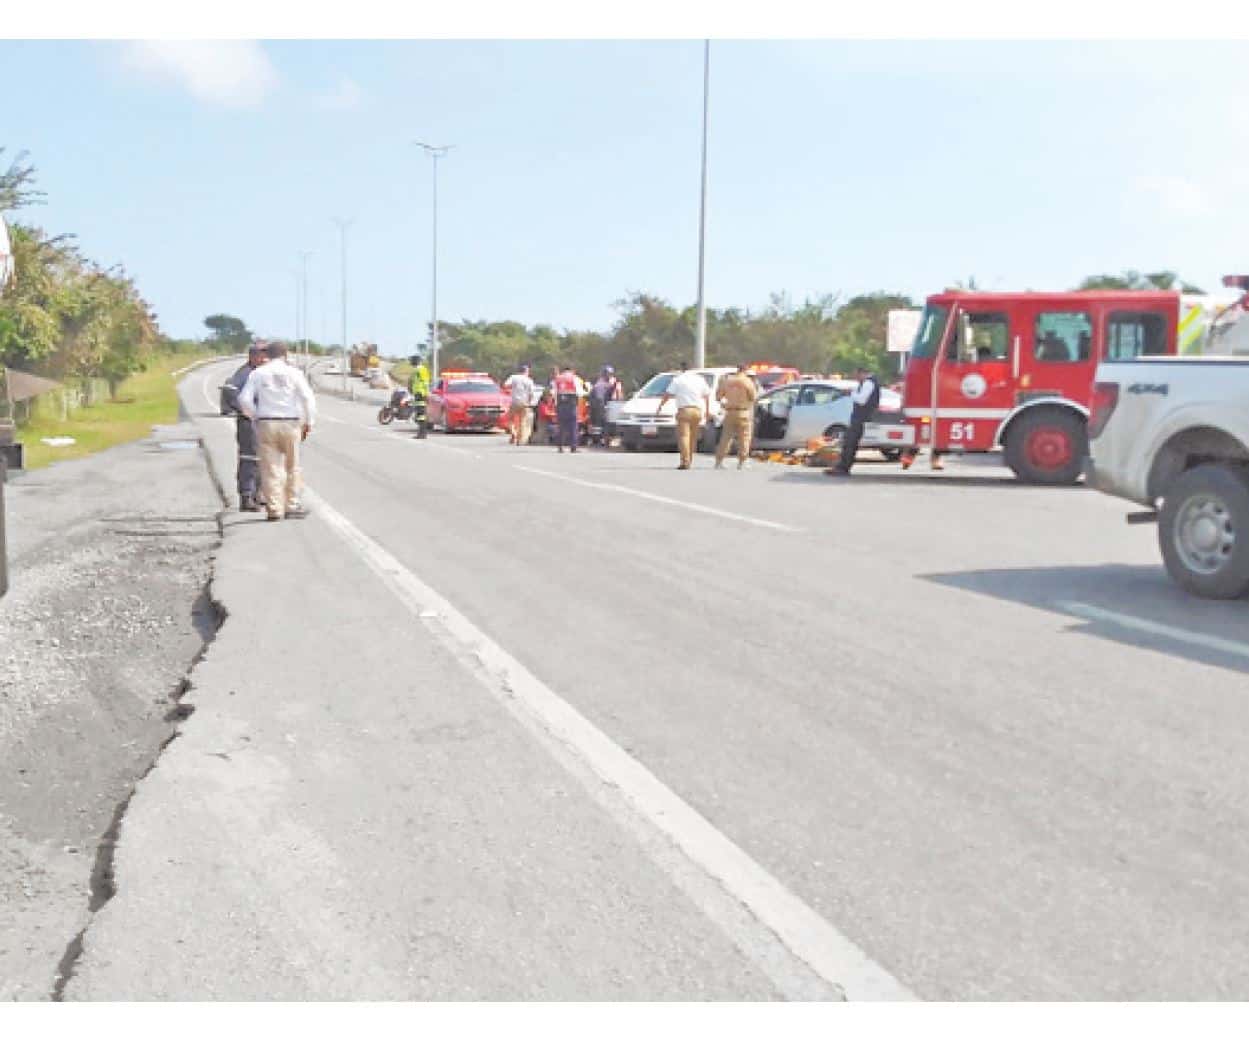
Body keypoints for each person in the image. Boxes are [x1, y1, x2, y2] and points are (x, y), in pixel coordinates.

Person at [237, 341, 317, 521]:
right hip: (290, 422)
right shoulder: (294, 373)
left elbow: (244, 399)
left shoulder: (258, 373)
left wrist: (255, 416)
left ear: (267, 355)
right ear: (285, 354)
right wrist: (308, 422)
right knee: (292, 466)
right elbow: (308, 399)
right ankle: (292, 505)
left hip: (267, 422)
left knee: (270, 468)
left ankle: (274, 509)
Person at [222, 343, 269, 511]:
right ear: (252, 356)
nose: (264, 359)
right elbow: (229, 390)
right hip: (248, 423)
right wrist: (242, 409)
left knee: (261, 459)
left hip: (260, 422)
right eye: (261, 355)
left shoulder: (259, 373)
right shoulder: (245, 373)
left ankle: (257, 493)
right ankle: (246, 497)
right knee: (249, 459)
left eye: (266, 356)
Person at [827, 365, 881, 478]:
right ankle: (842, 466)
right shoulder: (867, 383)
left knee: (850, 442)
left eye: (856, 375)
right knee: (849, 442)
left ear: (862, 373)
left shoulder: (868, 383)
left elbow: (862, 400)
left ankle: (843, 468)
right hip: (860, 417)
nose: (856, 378)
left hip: (862, 417)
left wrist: (850, 394)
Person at [658, 361, 711, 470]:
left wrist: (660, 406)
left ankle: (685, 461)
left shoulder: (678, 380)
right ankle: (690, 459)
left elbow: (668, 394)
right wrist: (707, 411)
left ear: (682, 368)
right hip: (697, 410)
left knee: (684, 436)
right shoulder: (700, 379)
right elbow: (706, 396)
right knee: (693, 437)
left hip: (684, 410)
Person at [715, 362, 758, 470]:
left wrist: (725, 402)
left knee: (726, 437)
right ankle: (742, 462)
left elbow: (718, 396)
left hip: (730, 411)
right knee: (744, 437)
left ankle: (719, 461)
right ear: (745, 370)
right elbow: (753, 397)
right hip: (743, 411)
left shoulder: (727, 381)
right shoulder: (747, 381)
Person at [552, 363, 588, 453]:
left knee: (561, 426)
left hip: (560, 405)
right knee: (573, 426)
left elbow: (554, 393)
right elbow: (580, 393)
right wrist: (586, 393)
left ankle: (560, 446)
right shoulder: (574, 378)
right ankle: (573, 447)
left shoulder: (557, 379)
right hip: (571, 405)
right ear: (572, 370)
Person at [588, 365, 622, 446]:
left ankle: (596, 441)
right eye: (609, 374)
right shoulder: (607, 385)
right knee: (604, 424)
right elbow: (616, 396)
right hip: (600, 405)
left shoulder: (598, 383)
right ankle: (604, 440)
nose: (610, 376)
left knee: (596, 424)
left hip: (594, 405)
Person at [503, 362, 536, 446]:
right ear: (526, 371)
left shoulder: (514, 377)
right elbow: (531, 394)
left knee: (509, 419)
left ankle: (513, 432)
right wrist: (530, 402)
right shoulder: (529, 380)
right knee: (523, 422)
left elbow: (505, 385)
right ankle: (519, 439)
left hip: (514, 402)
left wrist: (511, 390)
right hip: (525, 403)